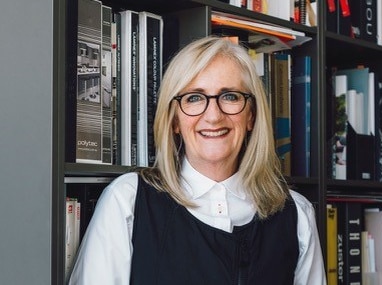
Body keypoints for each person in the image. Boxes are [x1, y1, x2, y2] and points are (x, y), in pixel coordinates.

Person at [69, 36, 326, 285]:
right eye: (194, 98)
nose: (213, 116)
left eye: (230, 96)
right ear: (174, 121)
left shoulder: (297, 214)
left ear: (251, 116)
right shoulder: (128, 202)